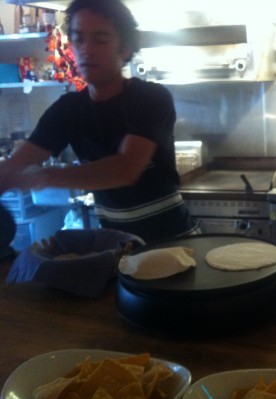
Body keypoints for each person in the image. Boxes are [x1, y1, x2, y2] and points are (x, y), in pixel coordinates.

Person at [0, 0, 199, 244]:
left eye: (100, 39)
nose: (86, 49)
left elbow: (125, 169)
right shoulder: (68, 110)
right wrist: (7, 175)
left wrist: (41, 177)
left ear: (124, 48)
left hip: (175, 242)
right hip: (120, 248)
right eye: (78, 39)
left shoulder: (150, 98)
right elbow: (15, 165)